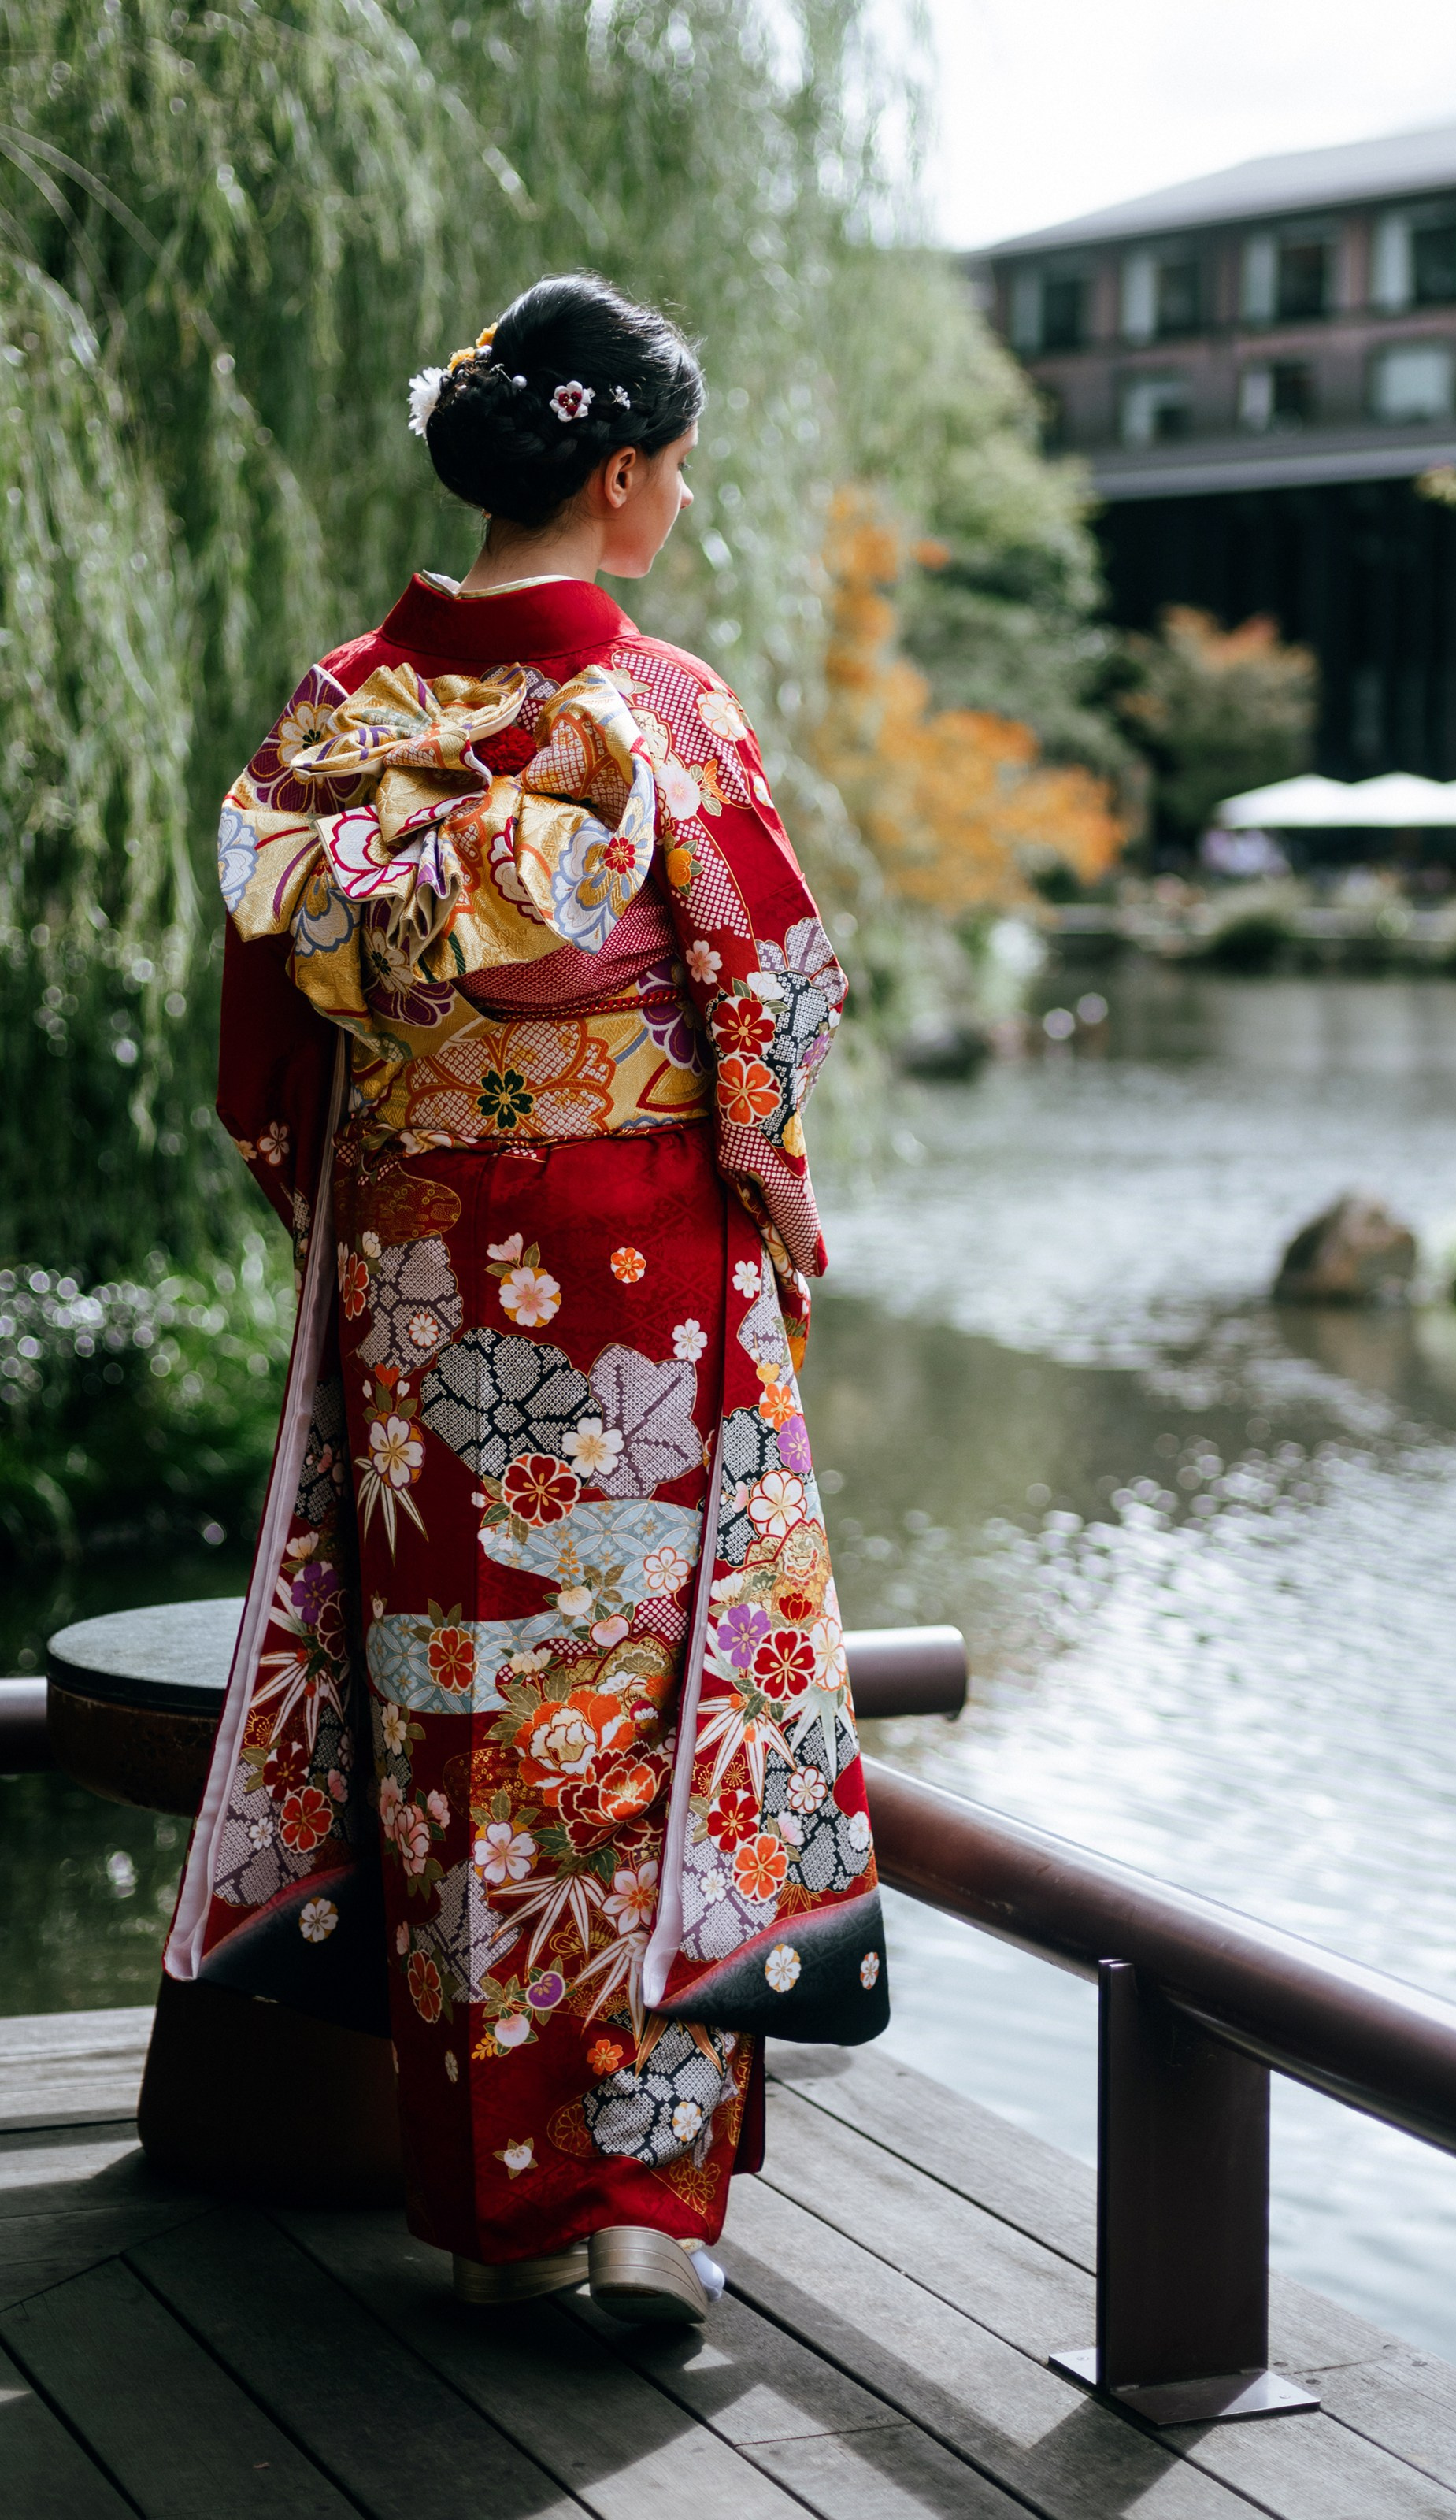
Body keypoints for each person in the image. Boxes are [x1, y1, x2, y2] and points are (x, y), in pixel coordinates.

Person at [165, 274, 887, 2322]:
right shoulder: (650, 709)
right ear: (625, 468)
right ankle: (628, 2222)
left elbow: (260, 1064)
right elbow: (769, 996)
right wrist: (759, 1174)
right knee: (631, 1730)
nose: (678, 501)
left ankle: (479, 2207)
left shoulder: (336, 716)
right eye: (677, 469)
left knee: (454, 1724)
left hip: (419, 1298)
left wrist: (367, 1208)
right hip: (628, 1283)